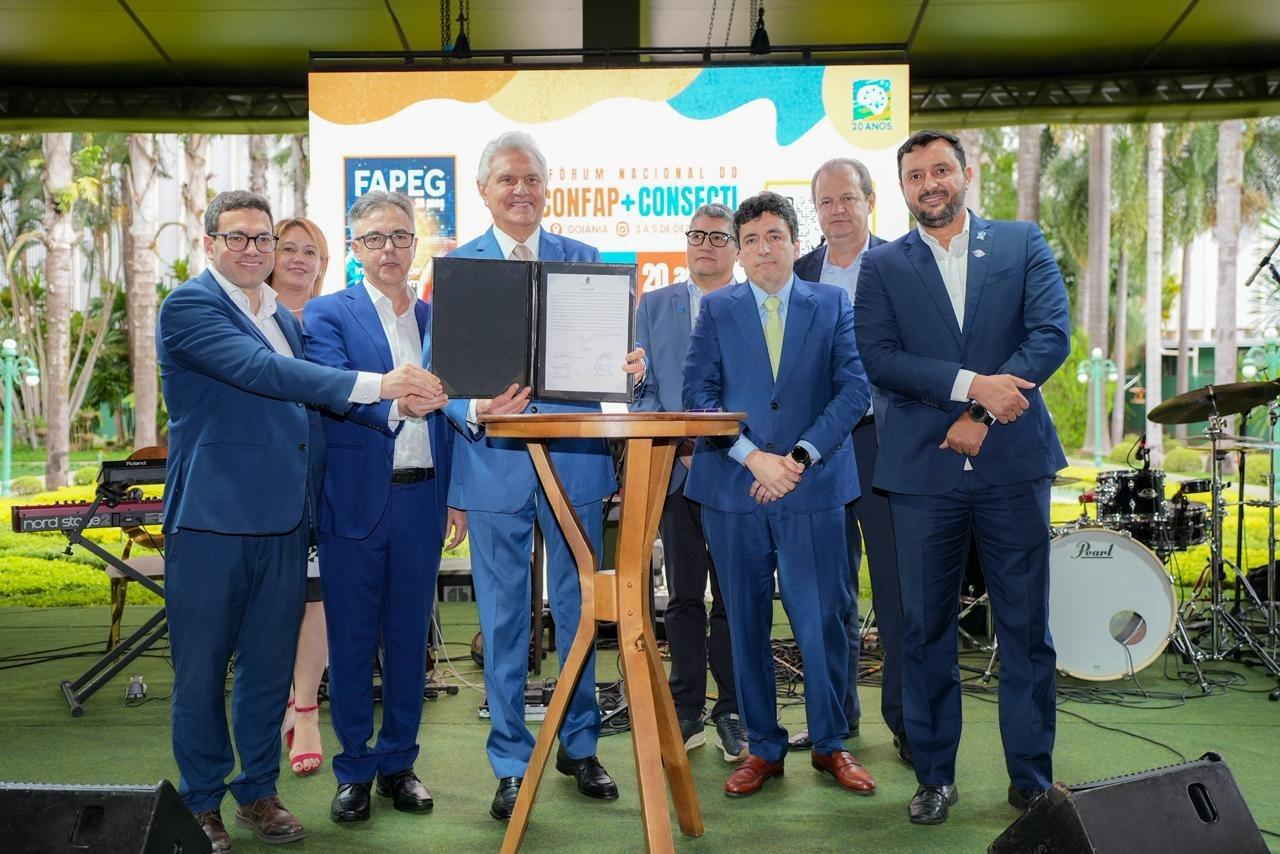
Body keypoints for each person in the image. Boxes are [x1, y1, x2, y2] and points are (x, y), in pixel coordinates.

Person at [157, 190, 440, 853]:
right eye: (237, 237)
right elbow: (267, 373)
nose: (252, 249)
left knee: (266, 669)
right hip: (212, 522)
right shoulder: (190, 306)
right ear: (210, 244)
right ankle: (201, 801)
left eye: (262, 238)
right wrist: (379, 385)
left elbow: (307, 414)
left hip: (286, 520)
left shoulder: (283, 316)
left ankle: (258, 792)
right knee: (202, 673)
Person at [854, 129, 1070, 825]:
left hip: (1013, 465)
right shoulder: (883, 265)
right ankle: (935, 776)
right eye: (915, 176)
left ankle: (1031, 780)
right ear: (903, 189)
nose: (930, 184)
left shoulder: (1020, 242)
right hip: (922, 474)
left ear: (966, 174)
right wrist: (973, 385)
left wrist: (979, 411)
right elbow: (880, 357)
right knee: (923, 633)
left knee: (1026, 629)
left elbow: (1050, 335)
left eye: (940, 170)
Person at [443, 131, 645, 821]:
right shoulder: (458, 268)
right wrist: (473, 409)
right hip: (491, 467)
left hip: (576, 465)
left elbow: (612, 363)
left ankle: (579, 745)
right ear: (483, 190)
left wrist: (630, 367)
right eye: (507, 179)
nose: (520, 190)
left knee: (581, 610)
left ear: (547, 188)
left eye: (531, 178)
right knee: (502, 623)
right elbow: (440, 380)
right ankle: (510, 761)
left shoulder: (584, 262)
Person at [683, 191, 875, 800]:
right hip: (733, 490)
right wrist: (753, 457)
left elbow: (853, 390)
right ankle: (763, 748)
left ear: (796, 243)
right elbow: (698, 397)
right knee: (743, 624)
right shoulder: (716, 310)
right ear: (739, 253)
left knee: (822, 622)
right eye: (751, 240)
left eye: (774, 237)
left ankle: (830, 742)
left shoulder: (832, 303)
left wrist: (797, 458)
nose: (763, 249)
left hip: (812, 487)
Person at [305, 190, 466, 824]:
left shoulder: (439, 319)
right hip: (354, 502)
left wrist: (456, 497)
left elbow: (459, 408)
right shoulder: (328, 314)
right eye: (374, 238)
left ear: (415, 245)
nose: (389, 249)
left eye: (400, 236)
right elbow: (334, 392)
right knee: (350, 641)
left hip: (424, 498)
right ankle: (354, 770)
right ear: (355, 248)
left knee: (407, 641)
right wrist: (398, 402)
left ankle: (400, 763)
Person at [790, 158, 908, 765]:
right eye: (826, 201)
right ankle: (832, 721)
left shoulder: (902, 264)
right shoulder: (799, 272)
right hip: (820, 450)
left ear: (869, 201)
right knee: (826, 595)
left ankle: (909, 726)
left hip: (886, 447)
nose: (837, 210)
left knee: (894, 591)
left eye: (848, 199)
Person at [633, 203, 747, 763]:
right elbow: (643, 390)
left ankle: (733, 709)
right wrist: (678, 448)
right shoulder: (652, 306)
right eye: (696, 235)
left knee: (733, 595)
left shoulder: (753, 304)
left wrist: (718, 450)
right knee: (682, 595)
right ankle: (685, 708)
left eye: (718, 237)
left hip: (736, 471)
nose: (705, 244)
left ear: (737, 248)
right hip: (674, 474)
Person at [267, 216, 330, 778]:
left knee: (317, 598)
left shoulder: (333, 320)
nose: (299, 259)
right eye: (288, 248)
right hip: (264, 482)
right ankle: (275, 702)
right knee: (270, 601)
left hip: (325, 479)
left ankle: (305, 709)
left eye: (311, 251)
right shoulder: (248, 319)